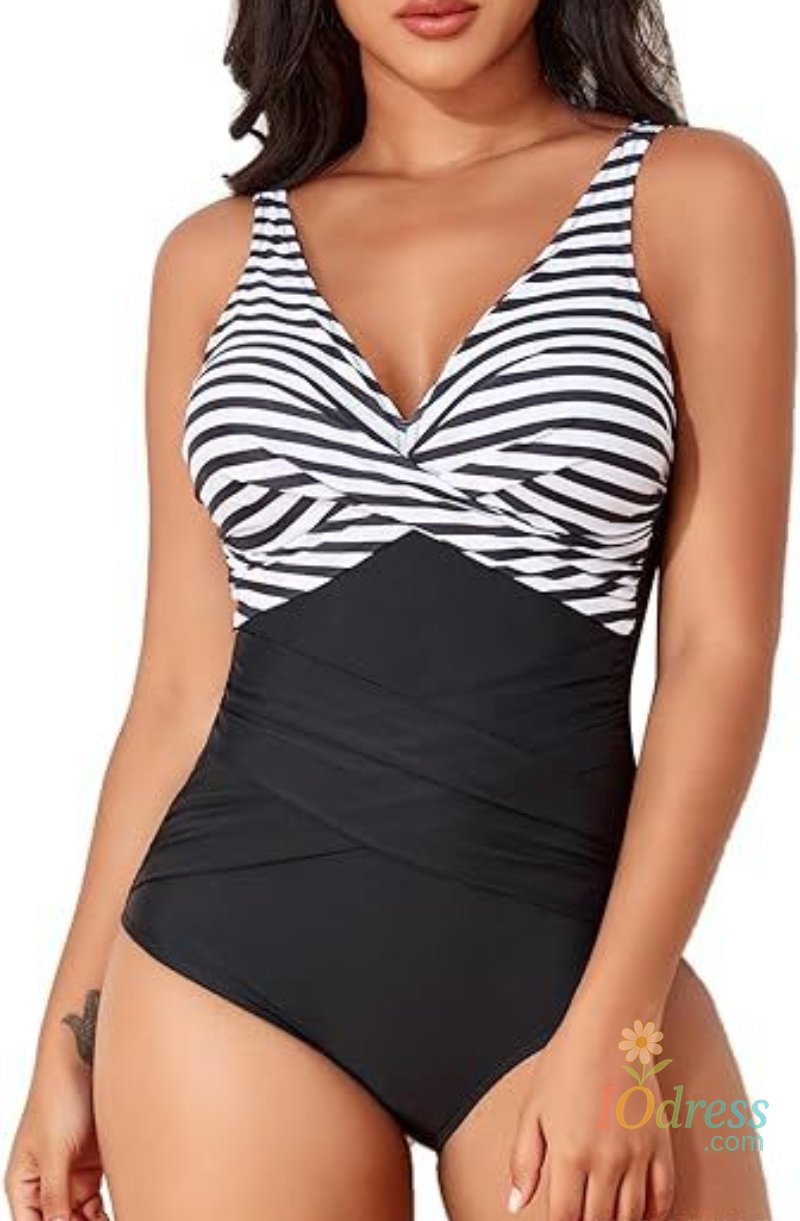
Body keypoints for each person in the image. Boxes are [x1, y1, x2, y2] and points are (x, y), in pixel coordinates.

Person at [5, 2, 794, 1219]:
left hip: (574, 963)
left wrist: (622, 1030)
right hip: (221, 970)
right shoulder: (211, 260)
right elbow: (175, 688)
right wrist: (70, 1035)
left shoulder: (693, 196)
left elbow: (717, 651)